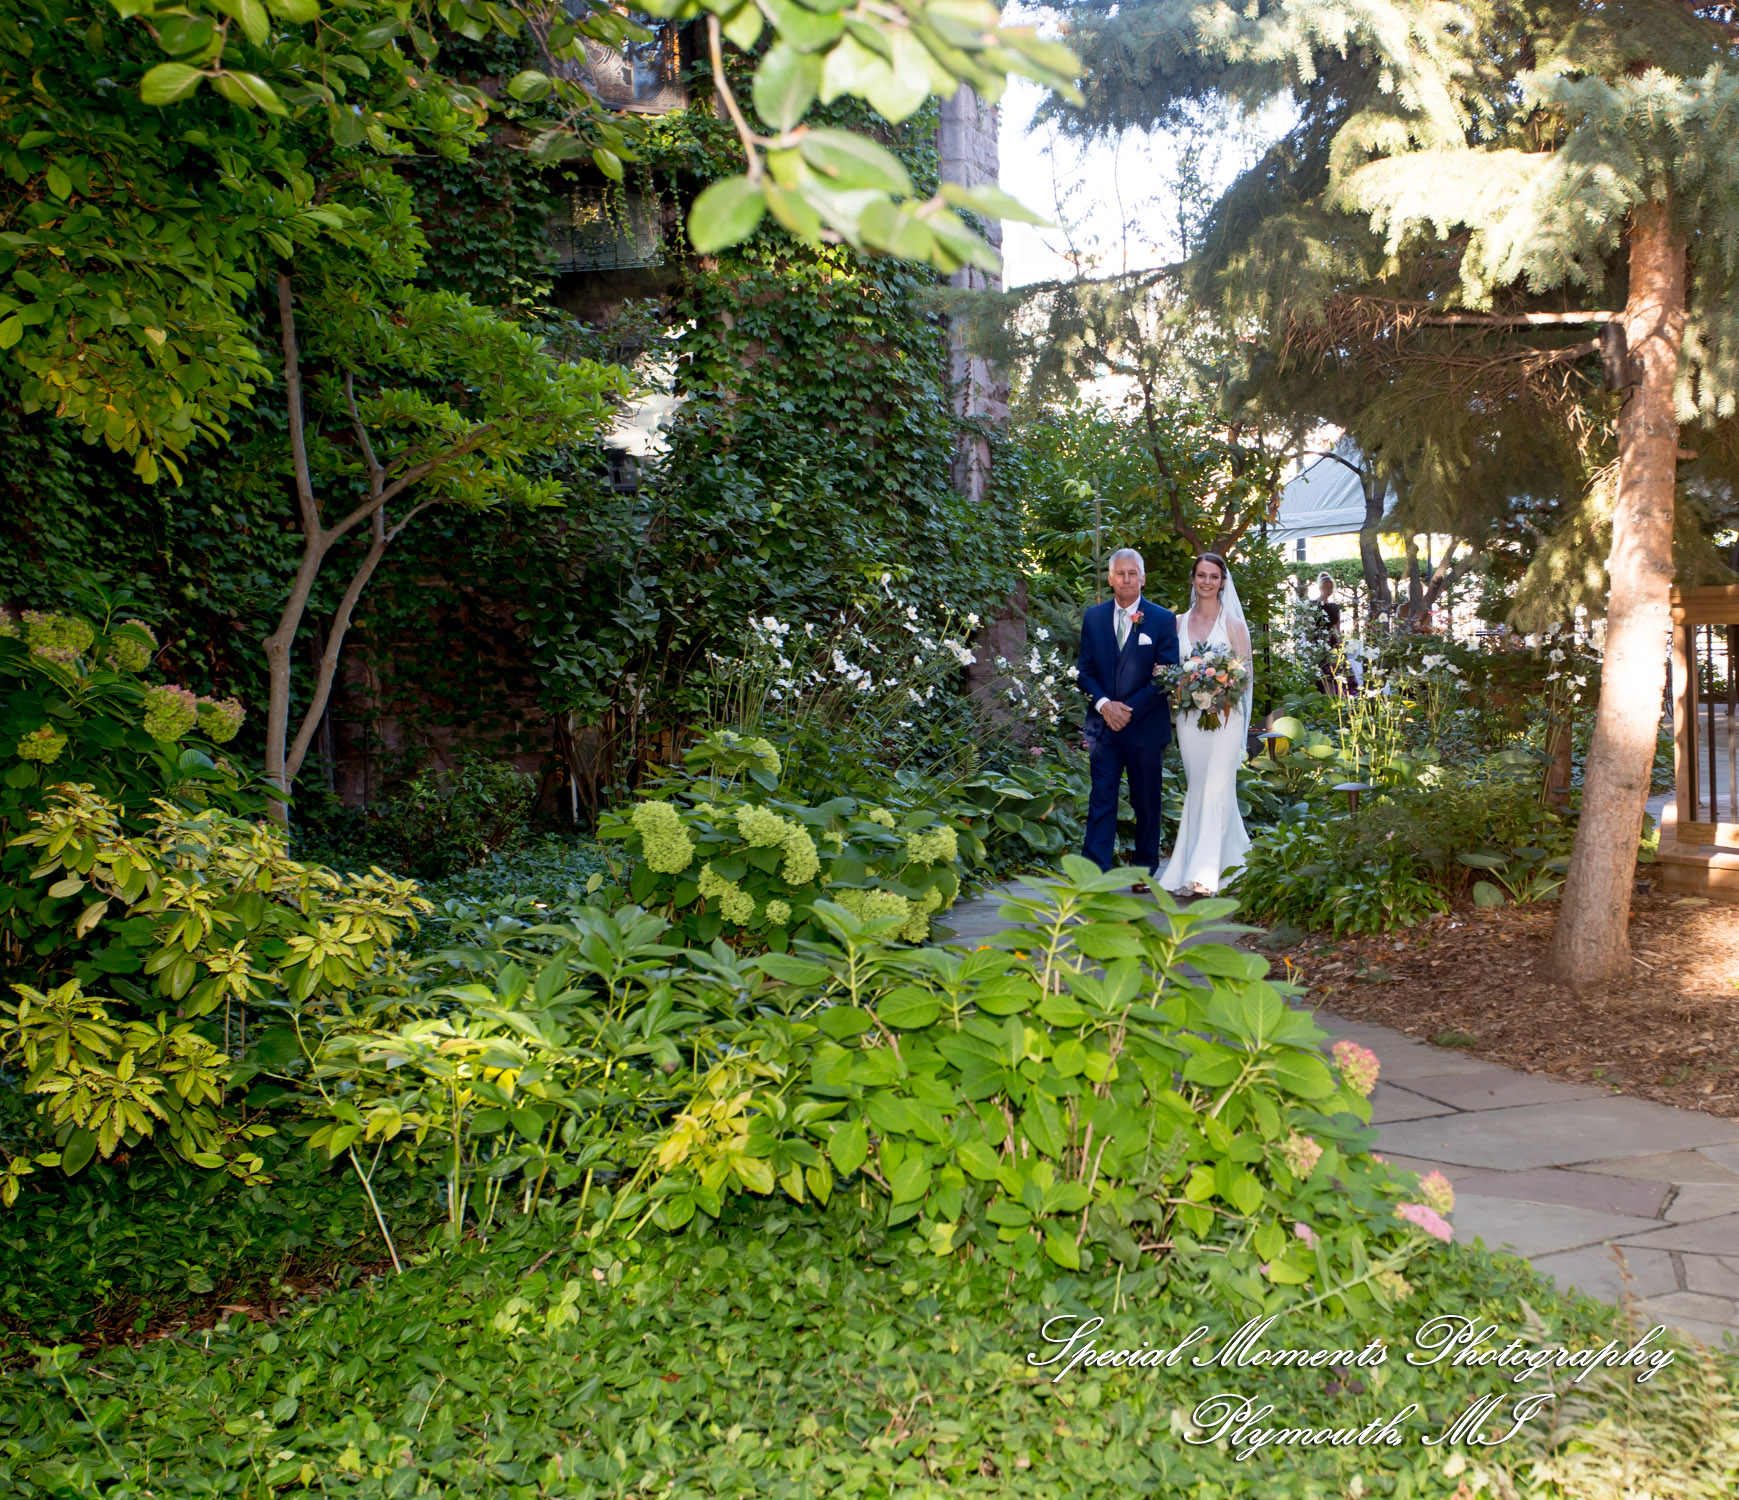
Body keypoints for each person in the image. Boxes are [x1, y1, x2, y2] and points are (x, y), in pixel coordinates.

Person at [1077, 548, 1179, 892]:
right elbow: (1085, 672)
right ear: (1110, 578)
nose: (1126, 579)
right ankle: (1094, 872)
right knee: (1101, 798)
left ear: (1143, 578)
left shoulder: (1163, 619)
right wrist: (1106, 706)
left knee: (1146, 800)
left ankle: (1143, 868)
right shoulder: (1093, 618)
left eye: (1132, 573)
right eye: (1119, 573)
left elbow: (1165, 677)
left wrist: (1127, 710)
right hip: (1103, 727)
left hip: (1145, 727)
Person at [1159, 553, 1253, 897]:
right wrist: (1185, 686)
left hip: (1227, 715)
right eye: (1201, 575)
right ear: (1193, 579)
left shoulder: (1233, 625)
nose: (1207, 582)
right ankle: (1234, 862)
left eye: (1214, 576)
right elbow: (1169, 669)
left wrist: (1220, 690)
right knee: (1201, 787)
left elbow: (1245, 675)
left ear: (1223, 582)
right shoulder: (1178, 622)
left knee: (1217, 785)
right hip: (1190, 718)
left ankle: (1203, 873)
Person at [1314, 573, 1344, 695]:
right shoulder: (1313, 605)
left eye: (1331, 587)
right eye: (1326, 587)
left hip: (1332, 642)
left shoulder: (1334, 606)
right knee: (1321, 670)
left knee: (1333, 670)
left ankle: (1333, 695)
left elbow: (1337, 626)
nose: (1328, 590)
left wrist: (1340, 640)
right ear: (1320, 587)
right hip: (1318, 641)